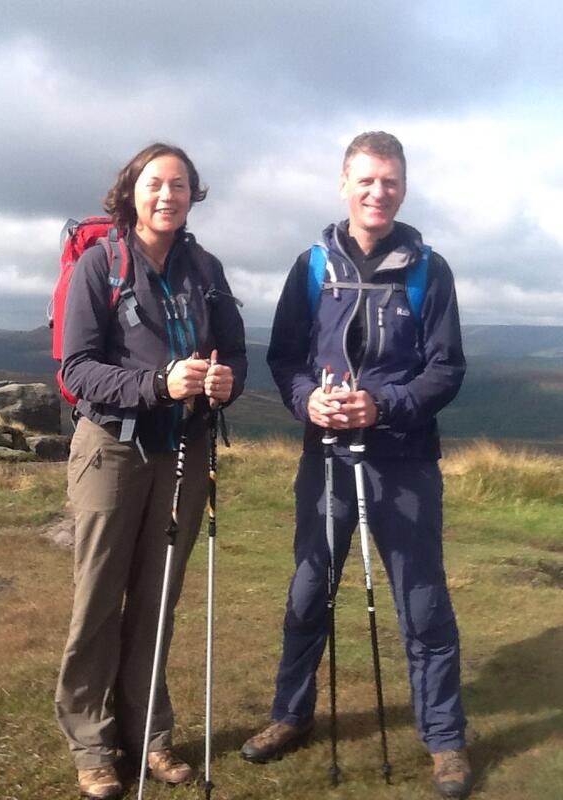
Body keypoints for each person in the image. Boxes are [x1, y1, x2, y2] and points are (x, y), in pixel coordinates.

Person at [241, 132, 471, 799]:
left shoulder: (430, 269)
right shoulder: (313, 266)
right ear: (344, 183)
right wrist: (308, 400)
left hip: (403, 460)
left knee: (422, 603)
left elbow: (447, 368)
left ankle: (445, 739)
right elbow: (284, 358)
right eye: (367, 180)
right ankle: (290, 716)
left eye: (391, 181)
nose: (379, 192)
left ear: (403, 187)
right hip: (327, 459)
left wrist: (385, 405)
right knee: (309, 591)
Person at [55, 142, 247, 800]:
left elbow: (237, 356)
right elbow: (75, 369)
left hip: (185, 452)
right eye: (155, 183)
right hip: (111, 447)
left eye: (181, 185)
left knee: (158, 600)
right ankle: (92, 742)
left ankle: (149, 734)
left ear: (195, 195)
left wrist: (223, 382)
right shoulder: (98, 266)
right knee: (99, 602)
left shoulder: (207, 269)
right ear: (131, 190)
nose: (168, 195)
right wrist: (157, 383)